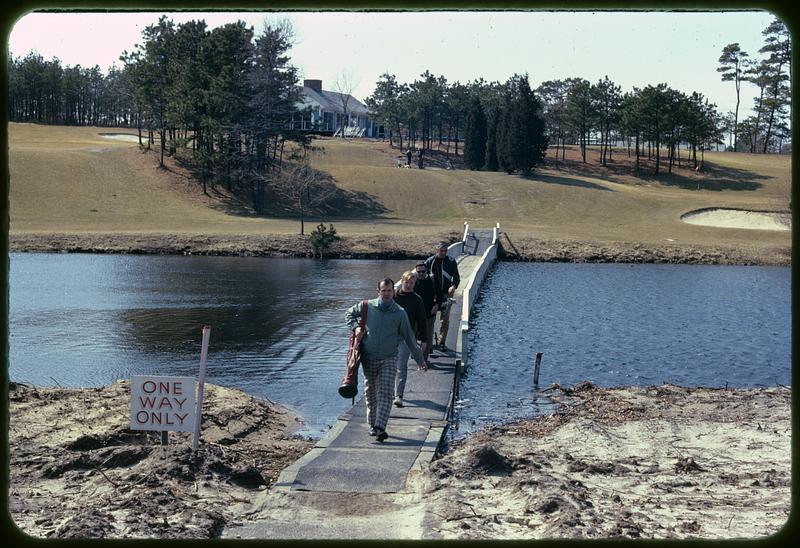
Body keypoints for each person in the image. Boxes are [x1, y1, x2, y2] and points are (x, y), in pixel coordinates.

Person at [345, 278, 425, 442]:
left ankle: (380, 427)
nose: (387, 293)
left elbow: (409, 337)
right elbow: (348, 314)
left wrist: (420, 359)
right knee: (371, 392)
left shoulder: (400, 313)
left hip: (389, 357)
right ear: (378, 291)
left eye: (389, 291)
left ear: (393, 292)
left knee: (387, 392)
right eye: (384, 290)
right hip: (369, 356)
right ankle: (373, 425)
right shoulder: (367, 306)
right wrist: (357, 327)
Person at [393, 271, 429, 408]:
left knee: (401, 366)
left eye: (412, 283)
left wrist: (424, 340)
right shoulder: (394, 296)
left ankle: (399, 396)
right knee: (388, 366)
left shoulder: (416, 299)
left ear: (414, 284)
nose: (408, 285)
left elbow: (422, 320)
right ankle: (388, 392)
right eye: (406, 282)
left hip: (406, 338)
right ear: (402, 281)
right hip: (390, 336)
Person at [425, 242, 460, 350]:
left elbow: (457, 278)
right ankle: (428, 343)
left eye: (445, 251)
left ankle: (441, 342)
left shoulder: (451, 261)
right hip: (432, 295)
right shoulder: (429, 262)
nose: (443, 253)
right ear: (436, 250)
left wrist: (453, 286)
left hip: (446, 294)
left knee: (444, 320)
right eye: (441, 251)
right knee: (429, 319)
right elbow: (423, 277)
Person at [413, 261, 437, 361]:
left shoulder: (432, 280)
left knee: (426, 338)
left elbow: (439, 295)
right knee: (412, 336)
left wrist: (436, 305)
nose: (421, 274)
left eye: (423, 271)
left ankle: (424, 360)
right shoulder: (412, 281)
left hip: (429, 314)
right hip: (415, 315)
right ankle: (415, 354)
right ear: (416, 272)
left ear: (426, 270)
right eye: (419, 272)